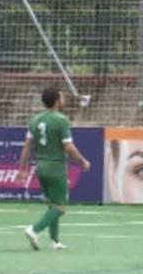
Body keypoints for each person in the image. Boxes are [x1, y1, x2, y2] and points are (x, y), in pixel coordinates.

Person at [17, 86, 92, 251]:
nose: (64, 100)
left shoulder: (35, 120)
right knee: (60, 207)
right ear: (57, 101)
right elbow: (68, 146)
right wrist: (83, 161)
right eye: (62, 97)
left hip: (41, 167)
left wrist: (23, 168)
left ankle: (54, 240)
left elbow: (27, 146)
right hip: (56, 167)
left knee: (53, 204)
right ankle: (34, 230)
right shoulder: (61, 120)